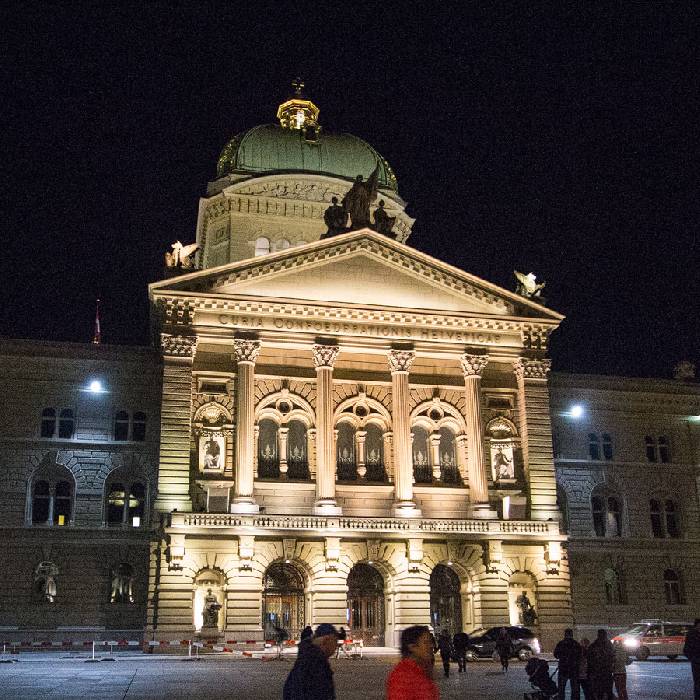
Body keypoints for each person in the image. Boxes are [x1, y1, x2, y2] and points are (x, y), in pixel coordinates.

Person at [283, 623, 338, 700]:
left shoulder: (309, 656)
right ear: (327, 639)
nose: (335, 647)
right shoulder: (316, 662)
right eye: (335, 642)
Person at [386, 625, 439, 700]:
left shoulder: (423, 670)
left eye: (430, 642)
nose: (431, 646)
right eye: (426, 642)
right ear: (412, 647)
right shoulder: (402, 677)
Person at [342, 165, 380, 229]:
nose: (360, 180)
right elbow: (349, 196)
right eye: (359, 179)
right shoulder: (354, 188)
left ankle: (362, 221)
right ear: (357, 180)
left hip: (363, 203)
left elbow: (369, 190)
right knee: (357, 210)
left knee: (363, 211)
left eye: (361, 179)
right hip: (357, 202)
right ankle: (358, 221)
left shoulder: (364, 186)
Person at [586, 629, 614, 700]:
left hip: (597, 673)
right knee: (608, 692)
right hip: (607, 672)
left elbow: (589, 658)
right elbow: (613, 657)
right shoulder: (609, 645)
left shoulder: (594, 645)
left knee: (599, 692)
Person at [554, 628, 581, 699]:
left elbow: (556, 655)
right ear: (572, 635)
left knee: (561, 689)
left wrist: (562, 657)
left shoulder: (561, 643)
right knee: (575, 690)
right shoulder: (576, 644)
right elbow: (580, 656)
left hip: (563, 669)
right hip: (574, 669)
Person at [683, 619, 700, 699]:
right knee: (697, 682)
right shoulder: (691, 634)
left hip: (695, 659)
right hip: (696, 661)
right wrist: (692, 658)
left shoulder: (691, 634)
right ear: (696, 625)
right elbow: (686, 649)